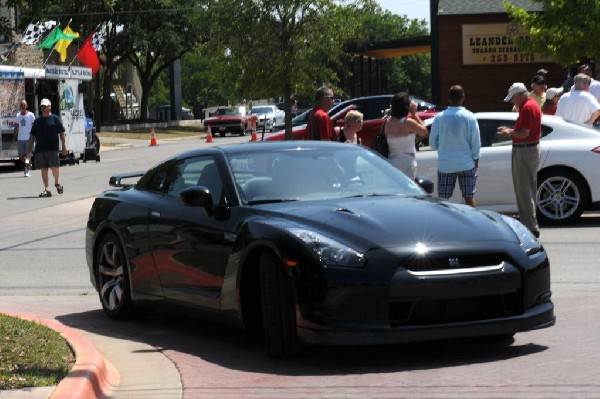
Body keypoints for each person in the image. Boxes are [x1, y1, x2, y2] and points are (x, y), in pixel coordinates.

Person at [497, 83, 542, 238]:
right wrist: (511, 131)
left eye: (513, 98)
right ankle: (531, 223)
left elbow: (524, 133)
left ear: (519, 95)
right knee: (528, 188)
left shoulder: (528, 107)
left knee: (523, 190)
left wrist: (509, 132)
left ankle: (530, 226)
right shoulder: (531, 105)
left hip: (524, 150)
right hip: (528, 149)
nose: (512, 102)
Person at [429, 85, 481, 207]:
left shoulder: (439, 117)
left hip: (445, 164)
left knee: (443, 199)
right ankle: (474, 224)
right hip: (466, 163)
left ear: (449, 99)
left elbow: (432, 144)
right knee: (469, 197)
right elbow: (475, 142)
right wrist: (475, 159)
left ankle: (445, 225)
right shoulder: (470, 117)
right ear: (463, 98)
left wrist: (442, 147)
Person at [26, 98, 68, 197]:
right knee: (43, 169)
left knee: (55, 168)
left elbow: (62, 133)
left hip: (53, 148)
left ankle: (57, 183)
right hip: (40, 149)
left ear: (50, 107)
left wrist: (64, 147)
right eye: (42, 106)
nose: (43, 108)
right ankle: (47, 188)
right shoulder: (37, 121)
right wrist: (28, 149)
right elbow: (32, 136)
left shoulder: (55, 119)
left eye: (45, 106)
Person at [384, 92, 428, 180]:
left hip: (391, 161)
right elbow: (424, 132)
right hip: (407, 162)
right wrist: (414, 114)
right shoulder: (408, 123)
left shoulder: (387, 122)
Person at [10, 100, 35, 177]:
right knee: (21, 156)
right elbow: (16, 127)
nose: (23, 106)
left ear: (26, 106)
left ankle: (27, 170)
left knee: (27, 155)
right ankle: (28, 165)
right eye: (21, 105)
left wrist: (35, 136)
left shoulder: (31, 115)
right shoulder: (18, 116)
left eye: (24, 105)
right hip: (20, 139)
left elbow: (34, 127)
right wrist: (14, 137)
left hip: (29, 139)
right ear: (20, 107)